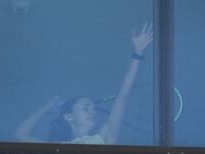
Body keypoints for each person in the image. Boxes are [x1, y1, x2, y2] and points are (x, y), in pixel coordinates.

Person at [14, 22, 153, 144]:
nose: (92, 112)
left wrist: (138, 52)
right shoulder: (55, 148)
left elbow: (123, 95)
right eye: (85, 108)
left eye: (92, 109)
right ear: (68, 116)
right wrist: (46, 107)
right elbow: (20, 135)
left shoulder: (103, 139)